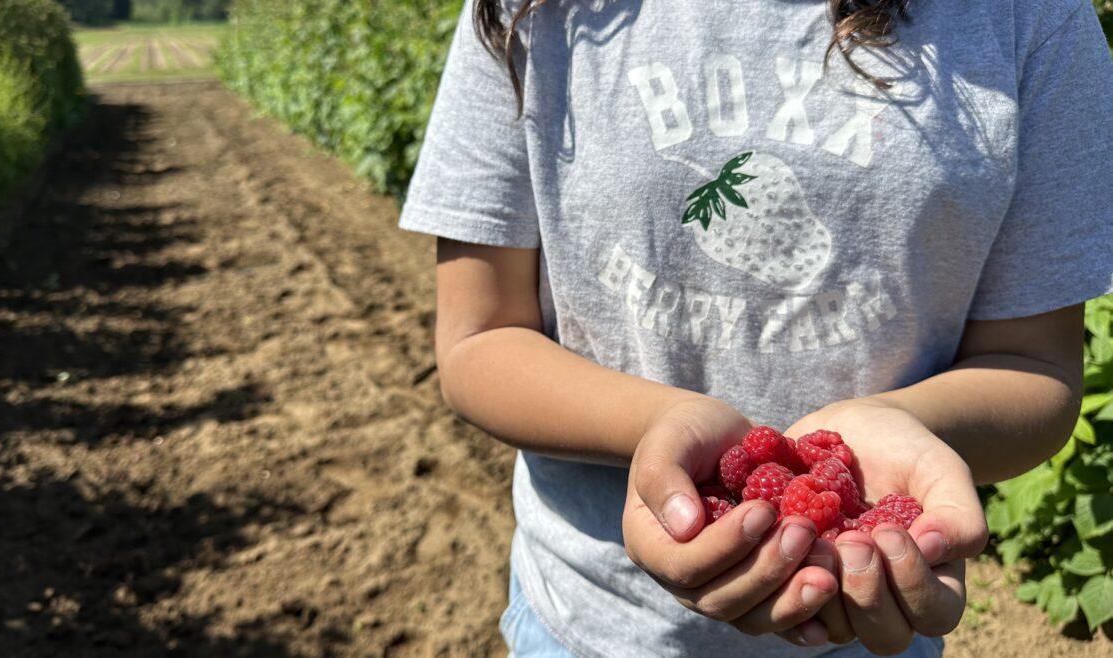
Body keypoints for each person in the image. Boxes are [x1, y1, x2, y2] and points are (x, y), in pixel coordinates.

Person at [398, 0, 1113, 655]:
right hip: (593, 622)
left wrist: (886, 426)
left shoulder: (1026, 18)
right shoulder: (536, 12)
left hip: (870, 605)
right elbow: (478, 339)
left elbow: (1032, 364)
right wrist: (664, 423)